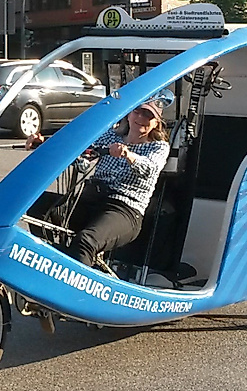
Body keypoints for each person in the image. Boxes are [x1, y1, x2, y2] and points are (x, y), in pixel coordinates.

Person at [26, 89, 173, 268]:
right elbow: (83, 157)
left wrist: (128, 155)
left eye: (148, 115)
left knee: (85, 241)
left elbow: (149, 169)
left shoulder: (158, 147)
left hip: (124, 210)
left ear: (156, 122)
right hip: (91, 200)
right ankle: (49, 264)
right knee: (36, 204)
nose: (141, 118)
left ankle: (74, 293)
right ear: (129, 113)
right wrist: (44, 144)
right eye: (138, 111)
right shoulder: (111, 136)